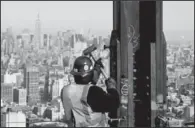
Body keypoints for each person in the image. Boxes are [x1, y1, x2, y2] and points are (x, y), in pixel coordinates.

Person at [61, 56, 120, 127]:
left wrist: (96, 72)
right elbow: (114, 103)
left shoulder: (65, 91)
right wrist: (112, 88)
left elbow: (84, 92)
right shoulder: (94, 92)